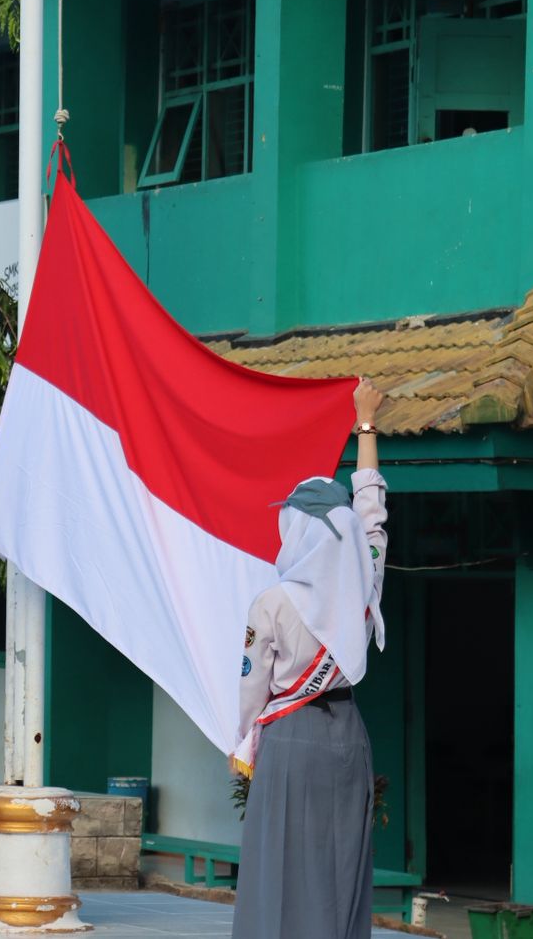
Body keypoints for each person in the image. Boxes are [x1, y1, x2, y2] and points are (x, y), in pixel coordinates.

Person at [230, 379, 389, 939]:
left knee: (282, 868)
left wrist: (243, 743)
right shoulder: (364, 580)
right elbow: (371, 513)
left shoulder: (272, 602)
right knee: (341, 866)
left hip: (292, 740)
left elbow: (253, 693)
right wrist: (364, 424)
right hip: (350, 737)